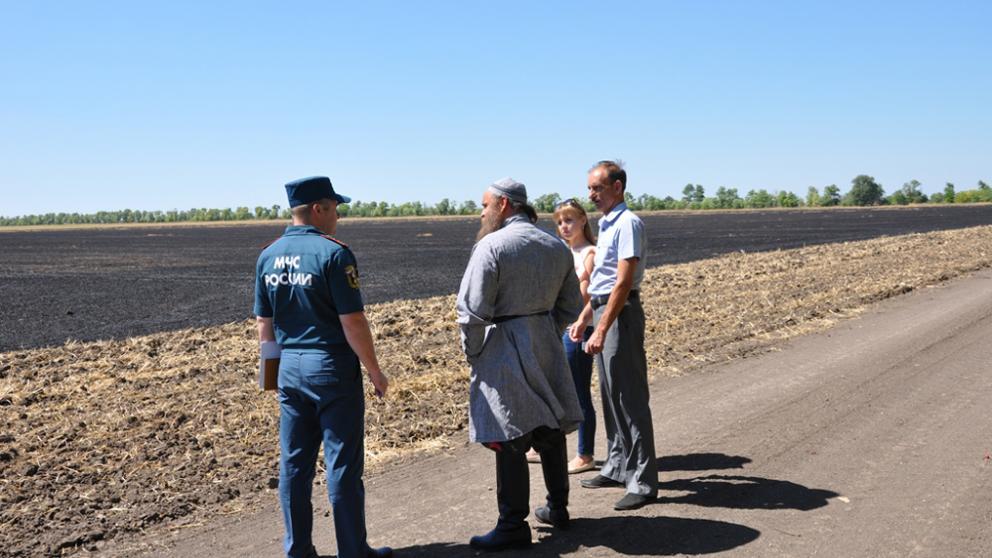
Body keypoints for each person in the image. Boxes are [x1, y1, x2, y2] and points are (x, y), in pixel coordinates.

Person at [253, 176, 392, 558]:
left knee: (294, 465)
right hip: (331, 367)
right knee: (342, 464)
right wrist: (375, 371)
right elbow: (353, 321)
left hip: (289, 368)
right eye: (334, 209)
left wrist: (272, 375)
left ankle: (297, 550)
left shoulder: (268, 256)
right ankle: (353, 550)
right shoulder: (334, 254)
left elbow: (264, 325)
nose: (338, 217)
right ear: (318, 209)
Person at [457, 177, 584, 551]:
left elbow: (471, 311)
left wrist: (475, 353)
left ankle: (512, 524)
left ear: (503, 204)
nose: (481, 213)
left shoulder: (491, 246)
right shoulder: (556, 246)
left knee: (509, 432)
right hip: (545, 340)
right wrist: (545, 331)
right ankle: (558, 507)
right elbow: (571, 305)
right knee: (549, 425)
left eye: (485, 205)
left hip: (503, 345)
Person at [570, 160, 658, 511]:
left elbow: (622, 282)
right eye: (590, 189)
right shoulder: (607, 225)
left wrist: (603, 328)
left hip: (620, 314)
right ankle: (617, 466)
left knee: (629, 398)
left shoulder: (628, 223)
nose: (591, 195)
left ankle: (643, 482)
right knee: (610, 396)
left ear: (618, 187)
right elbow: (603, 282)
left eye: (598, 188)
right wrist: (585, 318)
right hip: (604, 309)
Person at [525, 199, 598, 474]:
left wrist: (578, 319)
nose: (563, 226)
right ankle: (542, 446)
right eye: (559, 222)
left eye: (569, 220)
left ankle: (585, 454)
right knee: (552, 387)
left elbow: (586, 295)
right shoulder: (562, 252)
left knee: (578, 392)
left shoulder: (590, 253)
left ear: (583, 220)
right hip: (557, 327)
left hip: (578, 328)